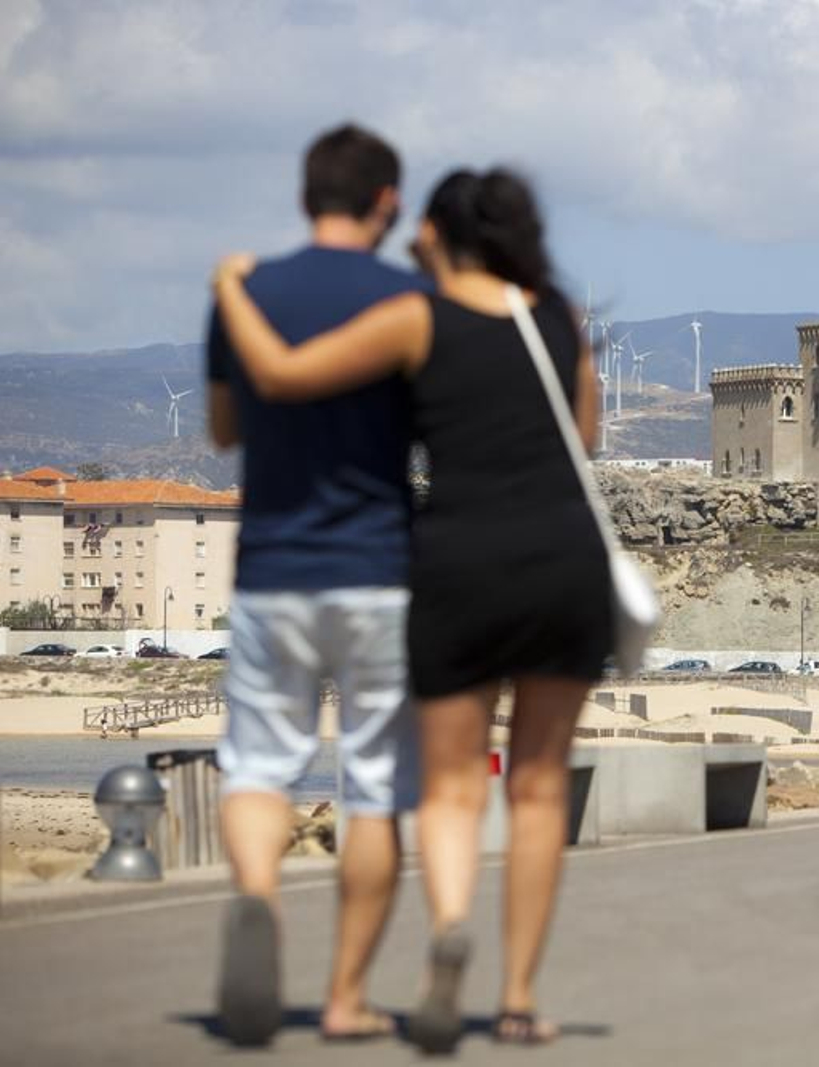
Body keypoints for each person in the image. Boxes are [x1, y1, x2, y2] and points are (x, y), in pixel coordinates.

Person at [213, 167, 609, 1052]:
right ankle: (515, 996)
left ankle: (452, 922)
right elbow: (582, 438)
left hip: (460, 562)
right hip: (566, 561)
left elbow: (279, 375)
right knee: (541, 786)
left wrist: (230, 289)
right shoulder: (557, 315)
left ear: (434, 230)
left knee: (454, 784)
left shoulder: (416, 317)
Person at [206, 124, 422, 1046]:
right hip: (377, 569)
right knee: (372, 782)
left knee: (259, 765)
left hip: (272, 567)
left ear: (306, 198)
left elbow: (222, 428)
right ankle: (346, 996)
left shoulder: (246, 292)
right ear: (387, 201)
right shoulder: (412, 300)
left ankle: (258, 895)